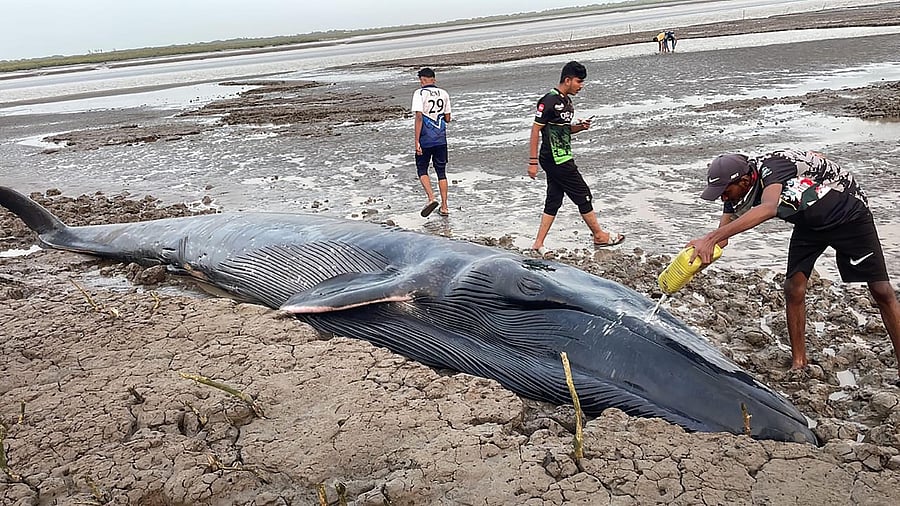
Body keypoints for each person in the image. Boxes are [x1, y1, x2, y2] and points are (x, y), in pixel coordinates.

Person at [688, 149, 900, 382]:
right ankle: (799, 363)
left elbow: (768, 208)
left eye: (726, 192)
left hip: (848, 216)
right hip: (808, 223)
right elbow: (724, 237)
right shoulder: (736, 194)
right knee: (793, 288)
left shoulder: (772, 168)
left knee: (881, 290)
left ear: (745, 180)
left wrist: (711, 238)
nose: (724, 199)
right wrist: (692, 259)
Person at [527, 61, 625, 252]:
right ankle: (599, 235)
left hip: (562, 156)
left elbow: (563, 130)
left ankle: (538, 244)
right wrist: (532, 162)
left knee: (554, 199)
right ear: (567, 80)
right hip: (556, 159)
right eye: (579, 82)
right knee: (583, 195)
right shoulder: (548, 101)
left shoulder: (567, 102)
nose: (581, 86)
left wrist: (580, 127)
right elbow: (535, 130)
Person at [411, 67, 452, 217]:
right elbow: (448, 118)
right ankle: (445, 206)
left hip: (425, 138)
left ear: (421, 80)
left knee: (422, 169)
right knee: (441, 172)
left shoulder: (419, 93)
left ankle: (431, 198)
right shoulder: (444, 93)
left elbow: (419, 117)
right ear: (434, 79)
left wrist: (416, 141)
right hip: (441, 139)